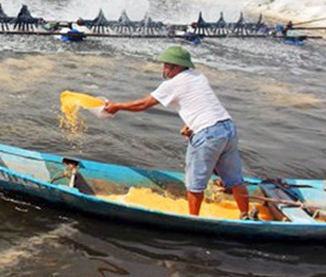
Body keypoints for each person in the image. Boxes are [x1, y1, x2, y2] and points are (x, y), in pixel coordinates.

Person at [103, 46, 252, 219]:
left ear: (175, 67)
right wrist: (190, 125)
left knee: (195, 184)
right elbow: (198, 101)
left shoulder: (173, 84)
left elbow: (143, 104)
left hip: (208, 133)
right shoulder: (198, 77)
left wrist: (117, 106)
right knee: (235, 180)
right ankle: (245, 214)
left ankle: (193, 220)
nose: (164, 69)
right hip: (227, 127)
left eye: (166, 65)